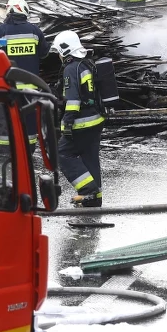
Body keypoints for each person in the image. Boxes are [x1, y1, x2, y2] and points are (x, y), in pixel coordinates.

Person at [0, 0, 50, 150]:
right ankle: (28, 150)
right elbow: (44, 53)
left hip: (7, 86)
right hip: (30, 88)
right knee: (29, 119)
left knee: (5, 117)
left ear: (9, 11)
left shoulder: (0, 31)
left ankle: (5, 150)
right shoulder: (35, 31)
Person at [54, 31, 104, 207]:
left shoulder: (70, 68)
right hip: (96, 120)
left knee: (63, 154)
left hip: (81, 122)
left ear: (65, 50)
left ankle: (87, 191)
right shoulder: (86, 64)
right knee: (89, 157)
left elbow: (73, 100)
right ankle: (95, 196)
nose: (59, 56)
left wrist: (67, 122)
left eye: (59, 52)